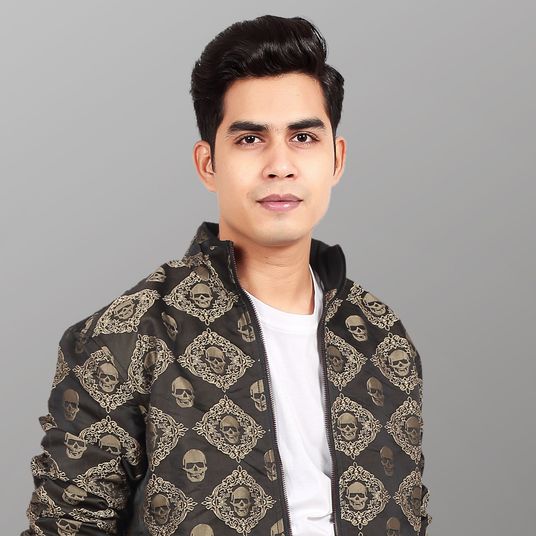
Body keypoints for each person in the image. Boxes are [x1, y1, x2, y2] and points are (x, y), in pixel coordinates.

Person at [22, 14, 432, 536]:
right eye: (250, 139)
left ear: (337, 158)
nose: (280, 164)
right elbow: (67, 526)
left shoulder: (380, 336)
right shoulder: (129, 336)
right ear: (208, 164)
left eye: (304, 136)